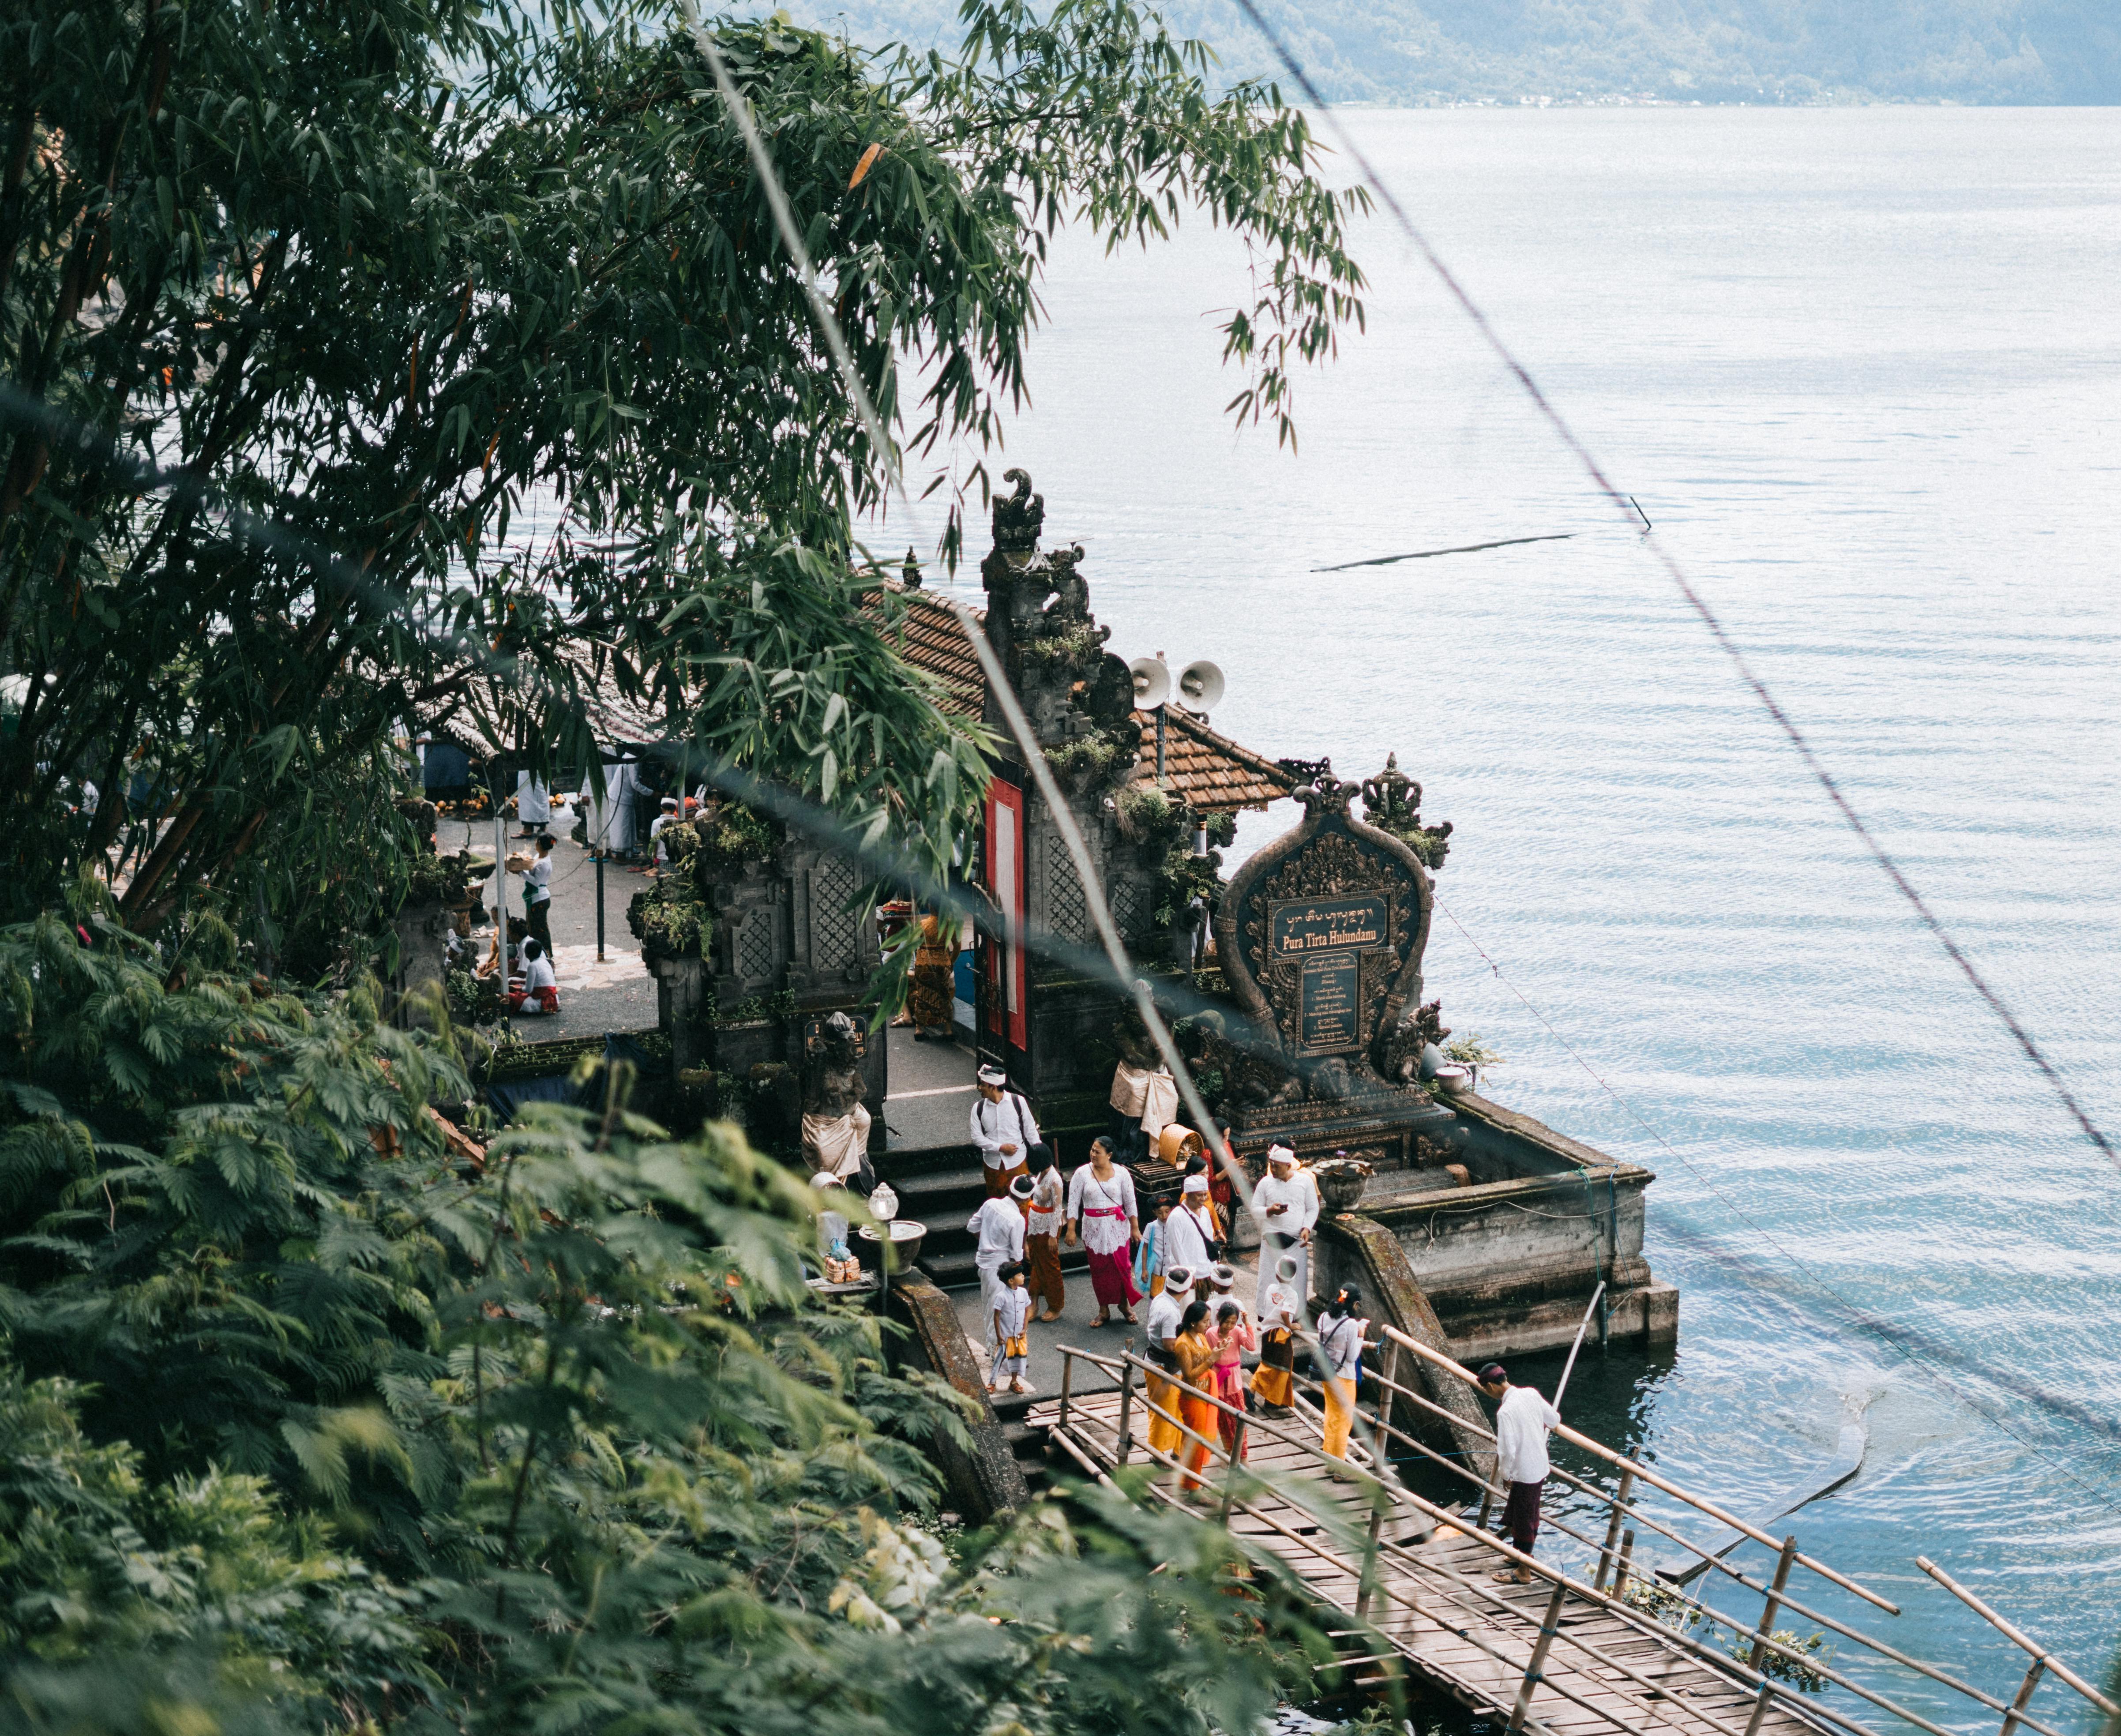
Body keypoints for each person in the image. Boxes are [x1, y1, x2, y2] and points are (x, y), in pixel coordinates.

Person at [1477, 1362, 1562, 1584]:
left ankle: (1524, 1571)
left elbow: (1507, 1450)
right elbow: (1554, 1420)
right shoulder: (1531, 1394)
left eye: (1486, 1390)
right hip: (1540, 1466)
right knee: (1524, 1512)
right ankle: (1519, 1555)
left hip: (1524, 1472)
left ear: (1491, 1387)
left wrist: (1506, 1475)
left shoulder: (1505, 1412)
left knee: (1525, 1519)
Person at [1065, 1135, 1141, 1327]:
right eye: (1092, 1150)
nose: (1093, 1154)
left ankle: (1124, 1305)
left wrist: (1135, 1227)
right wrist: (1071, 1230)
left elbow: (1130, 1201)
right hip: (1093, 1228)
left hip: (1118, 1227)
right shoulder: (1081, 1173)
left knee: (1122, 1267)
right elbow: (1074, 1203)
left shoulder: (1122, 1174)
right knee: (1099, 1269)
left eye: (1098, 1152)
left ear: (1110, 1155)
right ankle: (1104, 1309)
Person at [966, 1175, 1031, 1358]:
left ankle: (992, 1346)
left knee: (989, 1306)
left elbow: (972, 1227)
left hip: (983, 1263)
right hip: (1002, 1268)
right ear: (1026, 1198)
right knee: (1000, 1310)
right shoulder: (1017, 1220)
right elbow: (1017, 1254)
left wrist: (986, 1244)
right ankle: (997, 1349)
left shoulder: (990, 1204)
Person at [1251, 1144, 1317, 1312]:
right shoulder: (1265, 1183)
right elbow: (1255, 1209)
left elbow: (1312, 1208)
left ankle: (1295, 1316)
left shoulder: (1305, 1182)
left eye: (1277, 1166)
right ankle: (1265, 1314)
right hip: (1271, 1242)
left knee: (1296, 1282)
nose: (1273, 1169)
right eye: (1271, 1165)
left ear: (1288, 1166)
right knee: (1268, 1281)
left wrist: (1307, 1228)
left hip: (1295, 1242)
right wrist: (1270, 1210)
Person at [1142, 1265, 1192, 1462]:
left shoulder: (1160, 1298)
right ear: (1186, 1290)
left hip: (1158, 1363)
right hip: (1163, 1367)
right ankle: (1157, 1455)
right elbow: (1170, 1345)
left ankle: (1177, 1450)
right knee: (1163, 1413)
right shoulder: (1171, 1312)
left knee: (1176, 1409)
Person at [1173, 1300, 1220, 1493]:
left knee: (1198, 1440)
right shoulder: (1183, 1344)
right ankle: (1193, 1487)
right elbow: (1190, 1375)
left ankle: (1191, 1479)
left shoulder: (1200, 1336)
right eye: (1205, 1322)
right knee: (1196, 1441)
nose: (1208, 1325)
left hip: (1206, 1392)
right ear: (1193, 1323)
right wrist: (1211, 1360)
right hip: (1192, 1396)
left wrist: (1218, 1351)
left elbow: (1207, 1357)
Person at [1317, 1285, 1368, 1462]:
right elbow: (1353, 1356)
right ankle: (1340, 1467)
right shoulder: (1351, 1325)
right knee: (1344, 1422)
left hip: (1327, 1373)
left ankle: (1330, 1459)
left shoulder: (1324, 1318)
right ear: (1355, 1304)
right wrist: (1361, 1334)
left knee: (1331, 1415)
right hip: (1345, 1377)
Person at [970, 1067, 1038, 1197]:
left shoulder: (1018, 1102)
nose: (979, 1088)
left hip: (1018, 1162)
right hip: (992, 1165)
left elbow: (1030, 1130)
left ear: (993, 1087)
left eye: (983, 1085)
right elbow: (977, 1138)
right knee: (996, 1202)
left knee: (1022, 1202)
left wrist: (1040, 1154)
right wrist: (1001, 1148)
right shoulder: (978, 1108)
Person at [1251, 1253, 1302, 1415]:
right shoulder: (1292, 1294)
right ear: (1293, 1277)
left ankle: (1268, 1396)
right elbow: (1286, 1313)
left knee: (1268, 1363)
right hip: (1280, 1334)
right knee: (1281, 1368)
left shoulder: (1271, 1289)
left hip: (1267, 1333)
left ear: (1276, 1274)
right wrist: (1291, 1325)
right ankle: (1258, 1391)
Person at [1023, 1146, 1067, 1321]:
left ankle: (1056, 1305)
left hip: (1048, 1227)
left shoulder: (1055, 1180)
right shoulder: (1041, 1174)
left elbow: (1057, 1210)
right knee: (1036, 1263)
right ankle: (1033, 1302)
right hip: (1035, 1224)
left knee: (1049, 1266)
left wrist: (1052, 1236)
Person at [1211, 1299, 1255, 1462]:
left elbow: (1251, 1346)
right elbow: (1209, 1358)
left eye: (1233, 1322)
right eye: (1226, 1321)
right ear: (1219, 1318)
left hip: (1235, 1381)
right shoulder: (1210, 1334)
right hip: (1218, 1380)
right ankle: (1229, 1453)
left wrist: (1247, 1324)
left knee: (1239, 1422)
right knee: (1222, 1421)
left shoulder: (1237, 1332)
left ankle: (1243, 1458)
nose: (1229, 1326)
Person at [908, 911, 956, 1042]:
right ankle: (948, 1030)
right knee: (944, 995)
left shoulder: (923, 924)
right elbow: (957, 946)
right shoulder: (948, 925)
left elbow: (913, 943)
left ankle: (919, 1029)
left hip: (923, 963)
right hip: (942, 963)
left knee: (922, 996)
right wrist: (951, 961)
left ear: (930, 907)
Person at [989, 1262, 1033, 1395]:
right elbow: (997, 1317)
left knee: (1018, 1359)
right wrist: (999, 1335)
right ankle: (992, 1382)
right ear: (1011, 1280)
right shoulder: (1001, 1297)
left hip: (1019, 1335)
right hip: (1006, 1335)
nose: (1023, 1276)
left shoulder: (1023, 1293)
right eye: (1020, 1275)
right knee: (1000, 1358)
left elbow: (1027, 1311)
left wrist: (1025, 1329)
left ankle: (1014, 1381)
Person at [1163, 1172, 1216, 1275]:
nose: (1204, 1199)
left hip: (1207, 1271)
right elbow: (1177, 1250)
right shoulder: (1176, 1217)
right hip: (1188, 1275)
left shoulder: (1205, 1212)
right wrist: (1188, 1275)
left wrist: (1214, 1268)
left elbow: (1210, 1239)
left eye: (1205, 1195)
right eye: (1199, 1195)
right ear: (1188, 1194)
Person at [519, 832, 555, 952]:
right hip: (535, 898)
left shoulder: (544, 864)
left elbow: (536, 882)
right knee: (533, 928)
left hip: (539, 899)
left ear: (540, 844)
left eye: (537, 842)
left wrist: (521, 873)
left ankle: (548, 955)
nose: (535, 844)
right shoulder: (538, 857)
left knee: (540, 930)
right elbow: (530, 869)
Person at [508, 936, 559, 1015]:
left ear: (527, 953)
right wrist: (517, 981)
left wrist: (514, 988)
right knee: (516, 991)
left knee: (507, 996)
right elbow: (538, 982)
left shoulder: (532, 965)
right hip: (554, 999)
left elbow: (528, 990)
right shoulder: (544, 962)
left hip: (542, 1002)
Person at [1133, 1198, 1172, 1296]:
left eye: (1167, 1212)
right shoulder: (1151, 1227)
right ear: (1155, 1212)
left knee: (1172, 1297)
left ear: (1172, 1210)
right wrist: (1144, 1269)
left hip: (1172, 1270)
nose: (1164, 1216)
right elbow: (1145, 1248)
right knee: (1156, 1297)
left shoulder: (1174, 1225)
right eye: (1160, 1213)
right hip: (1157, 1270)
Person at [648, 795, 679, 872]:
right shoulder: (678, 821)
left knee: (664, 879)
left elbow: (654, 841)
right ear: (674, 810)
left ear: (662, 809)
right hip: (676, 857)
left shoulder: (656, 822)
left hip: (661, 857)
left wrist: (654, 856)